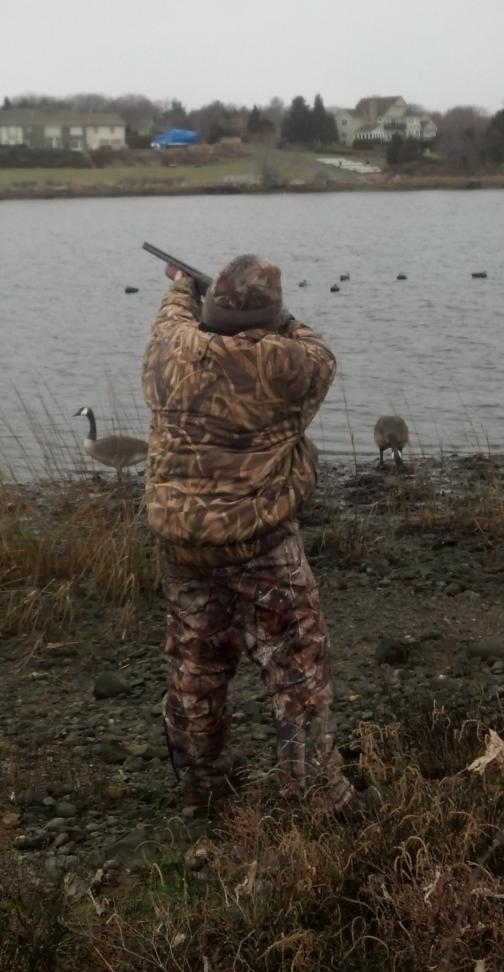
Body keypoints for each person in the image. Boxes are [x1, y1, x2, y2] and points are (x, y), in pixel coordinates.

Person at [142, 252, 375, 815]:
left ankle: (204, 785)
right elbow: (318, 350)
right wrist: (279, 317)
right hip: (261, 544)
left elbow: (172, 316)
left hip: (182, 544)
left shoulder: (168, 349)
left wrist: (184, 288)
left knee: (195, 666)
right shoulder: (286, 363)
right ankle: (316, 797)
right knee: (298, 667)